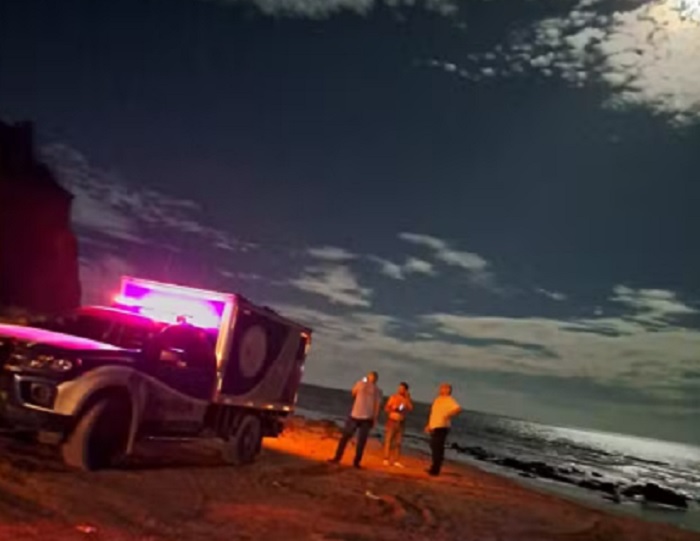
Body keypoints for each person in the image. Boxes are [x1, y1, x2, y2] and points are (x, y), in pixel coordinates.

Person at [329, 371, 382, 468]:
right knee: (351, 439)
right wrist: (375, 419)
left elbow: (376, 405)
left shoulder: (373, 389)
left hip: (362, 416)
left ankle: (349, 460)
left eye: (371, 377)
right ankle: (344, 459)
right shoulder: (366, 386)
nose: (371, 379)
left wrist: (374, 418)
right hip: (359, 416)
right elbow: (354, 394)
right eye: (371, 377)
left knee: (355, 440)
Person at [425, 383, 461, 476]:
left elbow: (457, 409)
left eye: (443, 388)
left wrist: (448, 414)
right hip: (435, 425)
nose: (440, 389)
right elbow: (434, 413)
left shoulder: (449, 400)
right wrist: (429, 425)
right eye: (441, 388)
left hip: (442, 426)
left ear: (447, 390)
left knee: (438, 448)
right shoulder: (437, 399)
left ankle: (435, 469)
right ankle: (434, 466)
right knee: (433, 446)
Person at [383, 381, 413, 467]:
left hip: (401, 421)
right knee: (388, 440)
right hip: (392, 420)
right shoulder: (393, 397)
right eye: (399, 388)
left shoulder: (406, 399)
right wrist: (393, 408)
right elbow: (386, 408)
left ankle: (396, 459)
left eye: (402, 389)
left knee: (398, 442)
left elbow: (410, 408)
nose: (400, 390)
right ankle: (386, 458)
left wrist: (407, 398)